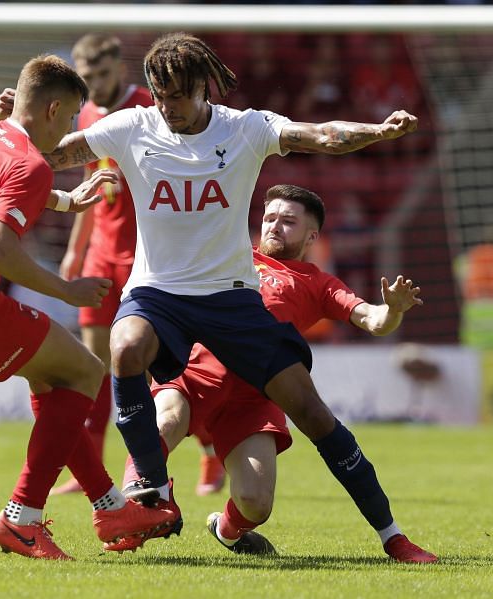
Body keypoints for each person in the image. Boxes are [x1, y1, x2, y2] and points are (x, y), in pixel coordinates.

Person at [0, 32, 426, 558]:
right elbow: (53, 154)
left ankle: (392, 536)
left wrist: (377, 131)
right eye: (158, 94)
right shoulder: (134, 126)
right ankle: (153, 487)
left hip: (230, 298)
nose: (166, 106)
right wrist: (14, 129)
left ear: (203, 87)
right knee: (124, 345)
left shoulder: (245, 128)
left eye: (176, 94)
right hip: (157, 291)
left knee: (312, 413)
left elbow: (324, 135)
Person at [0, 55, 175, 561]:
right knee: (85, 370)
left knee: (55, 380)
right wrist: (67, 291)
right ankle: (22, 518)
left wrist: (67, 200)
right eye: (68, 121)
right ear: (54, 109)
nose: (69, 133)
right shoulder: (32, 162)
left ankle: (110, 506)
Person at [118, 184, 436, 563]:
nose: (274, 227)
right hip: (193, 375)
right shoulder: (227, 257)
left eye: (288, 221)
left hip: (255, 398)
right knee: (165, 420)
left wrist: (393, 310)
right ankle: (131, 513)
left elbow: (373, 319)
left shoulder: (318, 283)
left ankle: (227, 530)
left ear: (312, 236)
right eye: (270, 218)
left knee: (256, 503)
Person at [50, 33, 160, 495]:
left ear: (118, 67)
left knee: (150, 371)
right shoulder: (89, 113)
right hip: (101, 252)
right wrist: (76, 250)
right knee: (94, 365)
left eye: (100, 74)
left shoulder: (148, 109)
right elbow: (90, 187)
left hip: (144, 254)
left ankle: (191, 457)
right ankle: (90, 470)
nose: (93, 84)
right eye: (86, 75)